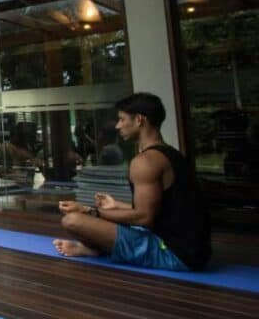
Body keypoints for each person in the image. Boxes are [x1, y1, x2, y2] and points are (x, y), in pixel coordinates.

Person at [54, 92, 211, 271]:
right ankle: (94, 249)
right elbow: (164, 209)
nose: (118, 126)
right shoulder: (172, 154)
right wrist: (117, 205)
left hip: (174, 253)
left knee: (72, 221)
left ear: (139, 120)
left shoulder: (145, 162)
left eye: (121, 119)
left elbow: (144, 217)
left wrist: (90, 211)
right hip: (196, 251)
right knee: (101, 214)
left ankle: (96, 250)